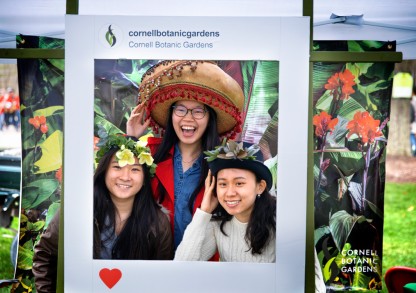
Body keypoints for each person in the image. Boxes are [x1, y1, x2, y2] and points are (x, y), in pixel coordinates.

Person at [127, 60, 245, 250]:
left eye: (198, 111)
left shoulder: (224, 167)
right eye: (180, 109)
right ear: (171, 115)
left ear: (210, 119)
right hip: (152, 264)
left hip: (204, 268)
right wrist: (131, 138)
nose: (188, 118)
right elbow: (116, 189)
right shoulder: (149, 157)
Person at [33, 134, 173, 292]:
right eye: (117, 167)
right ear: (104, 171)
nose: (125, 177)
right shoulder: (77, 211)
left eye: (134, 169)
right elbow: (45, 256)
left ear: (144, 177)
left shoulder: (158, 223)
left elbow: (161, 277)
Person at [174, 140, 276, 262]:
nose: (230, 193)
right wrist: (204, 212)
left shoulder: (279, 222)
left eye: (239, 183)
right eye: (223, 184)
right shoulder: (218, 223)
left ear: (260, 187)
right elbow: (183, 264)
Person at [411, 86, 416, 157]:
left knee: (412, 135)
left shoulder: (413, 100)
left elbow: (413, 112)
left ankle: (415, 149)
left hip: (415, 119)